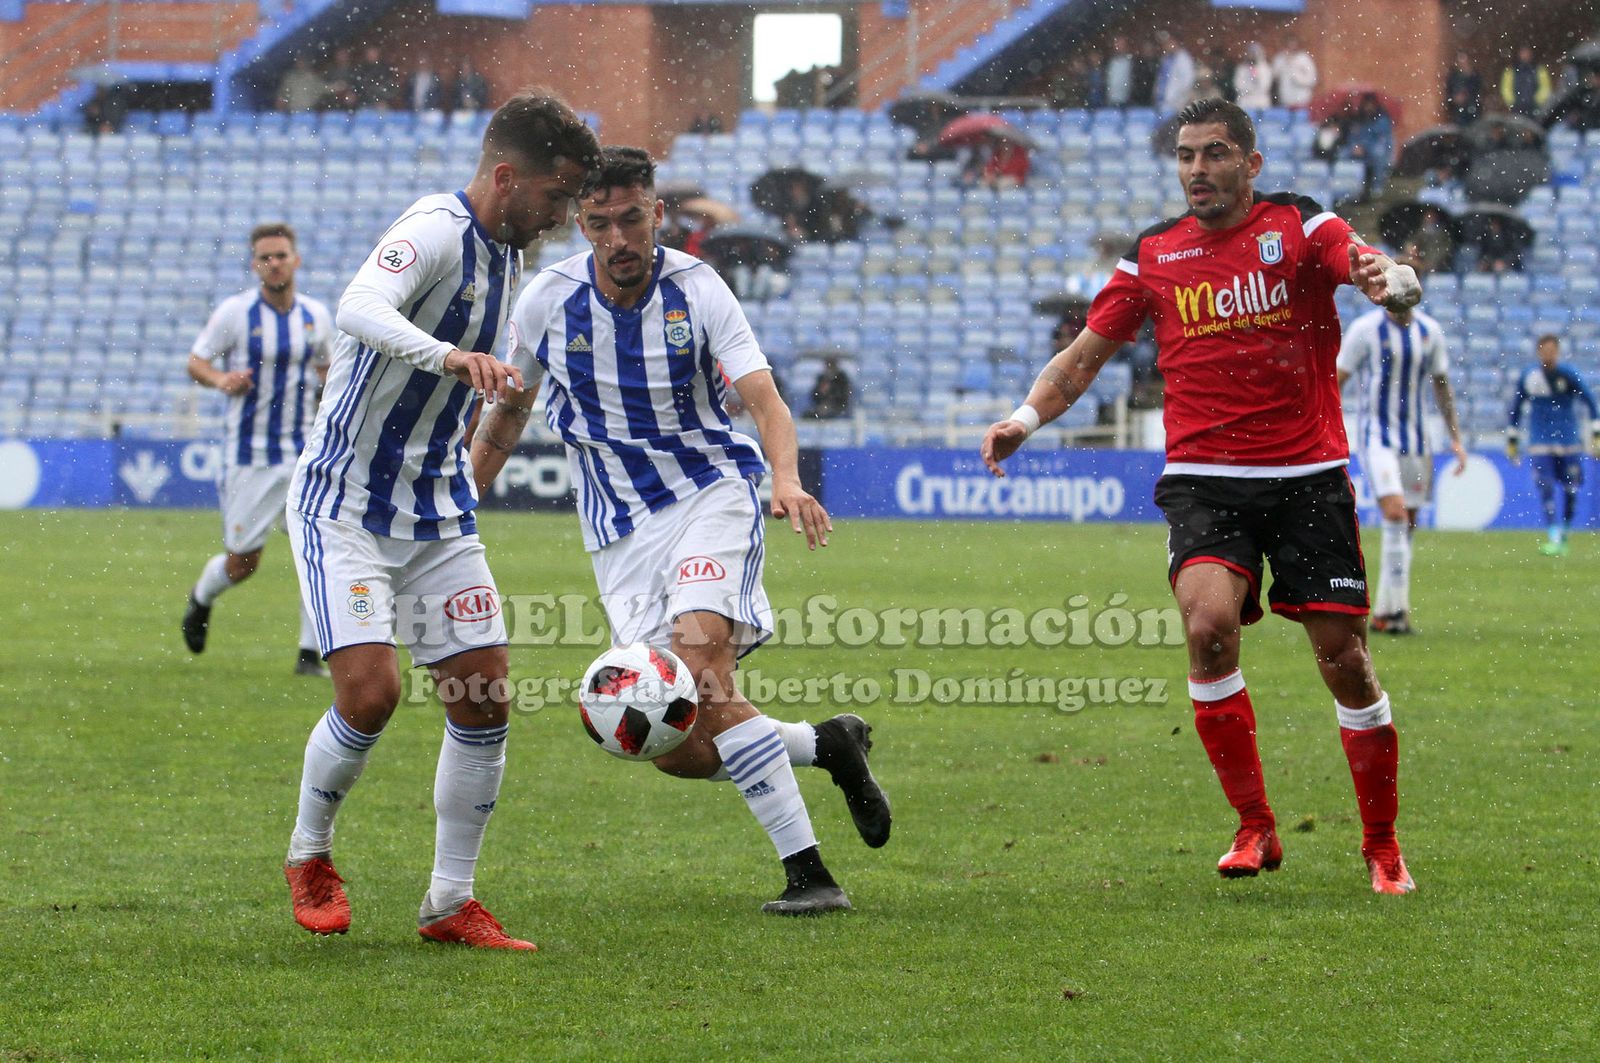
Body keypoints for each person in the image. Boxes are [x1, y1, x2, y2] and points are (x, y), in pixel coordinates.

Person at [980, 98, 1424, 896]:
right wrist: (1024, 418)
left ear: (1251, 164)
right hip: (1204, 480)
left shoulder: (1299, 225)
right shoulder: (1154, 253)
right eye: (1186, 155)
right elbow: (1081, 359)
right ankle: (1254, 825)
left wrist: (1383, 277)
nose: (1197, 169)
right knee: (1209, 630)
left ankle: (1382, 844)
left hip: (1308, 476)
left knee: (1347, 662)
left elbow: (1360, 260)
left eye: (1215, 153)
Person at [472, 146, 892, 916]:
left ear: (657, 213)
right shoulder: (546, 301)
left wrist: (786, 477)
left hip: (710, 497)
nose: (618, 238)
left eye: (632, 219)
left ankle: (810, 874)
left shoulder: (699, 290)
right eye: (600, 223)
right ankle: (826, 743)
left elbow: (764, 399)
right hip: (619, 536)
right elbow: (510, 409)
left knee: (699, 671)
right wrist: (465, 495)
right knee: (673, 743)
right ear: (580, 224)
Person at [281, 91, 600, 949]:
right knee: (371, 693)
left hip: (435, 508)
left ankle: (449, 900)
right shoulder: (434, 227)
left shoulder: (512, 259)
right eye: (556, 196)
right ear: (508, 177)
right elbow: (357, 307)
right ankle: (309, 851)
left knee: (483, 696)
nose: (562, 215)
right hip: (344, 503)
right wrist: (450, 357)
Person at [182, 223, 333, 675]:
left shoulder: (315, 316)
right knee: (243, 563)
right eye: (265, 257)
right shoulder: (236, 313)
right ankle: (201, 597)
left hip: (304, 455)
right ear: (255, 265)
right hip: (250, 456)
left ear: (296, 260)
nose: (274, 263)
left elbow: (327, 369)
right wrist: (221, 380)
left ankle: (309, 654)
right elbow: (196, 362)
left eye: (281, 255)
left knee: (320, 551)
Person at [1337, 302, 1468, 635]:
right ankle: (1397, 611)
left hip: (1417, 441)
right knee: (1395, 513)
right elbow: (1338, 378)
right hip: (1377, 439)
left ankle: (1385, 612)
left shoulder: (1430, 331)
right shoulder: (1365, 329)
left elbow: (1441, 385)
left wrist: (1455, 438)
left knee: (1407, 522)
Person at [1507, 335, 1600, 556]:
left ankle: (1565, 533)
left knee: (1570, 490)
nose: (1548, 355)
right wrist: (1512, 439)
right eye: (1544, 350)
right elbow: (1516, 408)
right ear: (1539, 352)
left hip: (1568, 441)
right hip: (1540, 442)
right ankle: (1554, 536)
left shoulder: (1568, 374)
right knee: (1546, 486)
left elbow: (1590, 401)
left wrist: (1596, 434)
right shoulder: (1530, 376)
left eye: (1552, 350)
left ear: (1557, 352)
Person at [1344, 93, 1394, 198]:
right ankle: (1348, 186)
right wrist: (1355, 146)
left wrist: (1364, 146)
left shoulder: (1382, 120)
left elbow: (1381, 139)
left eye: (1371, 105)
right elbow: (1352, 136)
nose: (1368, 108)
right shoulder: (1358, 119)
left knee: (1378, 153)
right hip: (1358, 148)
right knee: (1342, 154)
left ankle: (1377, 185)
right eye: (1366, 105)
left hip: (1373, 148)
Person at [1540, 66, 1600, 132]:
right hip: (1578, 130)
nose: (1592, 79)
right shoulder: (1584, 91)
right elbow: (1564, 105)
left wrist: (1580, 119)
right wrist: (1545, 124)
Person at [1500, 46, 1552, 118]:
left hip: (1535, 108)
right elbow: (1506, 89)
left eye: (1527, 53)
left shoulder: (1539, 70)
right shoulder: (1511, 71)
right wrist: (1513, 102)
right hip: (1517, 108)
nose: (1525, 56)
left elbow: (1545, 87)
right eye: (1523, 53)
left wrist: (1537, 101)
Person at [1270, 36, 1317, 109]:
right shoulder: (1280, 59)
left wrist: (1298, 78)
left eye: (1293, 45)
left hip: (1302, 99)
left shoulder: (1304, 59)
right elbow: (1274, 76)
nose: (1291, 48)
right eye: (1288, 45)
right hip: (1284, 100)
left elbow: (1312, 79)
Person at [1445, 51, 1484, 127]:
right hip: (1458, 112)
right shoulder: (1454, 76)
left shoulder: (1475, 76)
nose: (1462, 63)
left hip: (1472, 110)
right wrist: (1454, 98)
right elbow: (1449, 93)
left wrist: (1467, 96)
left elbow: (1478, 92)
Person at [1233, 43, 1272, 111]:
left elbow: (1265, 86)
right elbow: (1238, 85)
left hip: (1260, 100)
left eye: (1255, 54)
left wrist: (1256, 77)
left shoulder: (1265, 68)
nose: (1253, 56)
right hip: (1245, 99)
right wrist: (1248, 89)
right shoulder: (1241, 68)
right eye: (1251, 54)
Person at [1105, 36, 1135, 109]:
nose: (1119, 46)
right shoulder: (1109, 62)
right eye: (1117, 44)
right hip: (1110, 100)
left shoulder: (1131, 62)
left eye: (1122, 44)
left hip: (1127, 101)